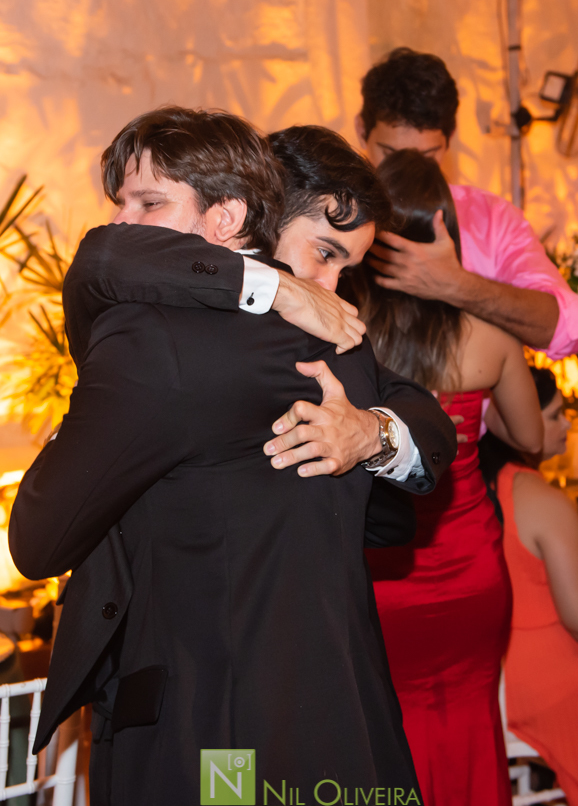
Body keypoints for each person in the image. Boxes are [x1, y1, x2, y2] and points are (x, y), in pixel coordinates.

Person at [10, 109, 457, 805]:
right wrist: (374, 431)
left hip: (214, 733)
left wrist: (370, 434)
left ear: (228, 216)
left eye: (149, 203)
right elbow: (391, 518)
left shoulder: (156, 343)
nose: (331, 288)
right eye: (324, 254)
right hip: (336, 722)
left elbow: (37, 542)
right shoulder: (340, 349)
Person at [360, 149, 543, 806]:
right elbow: (530, 439)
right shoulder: (488, 336)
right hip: (468, 569)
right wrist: (464, 422)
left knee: (383, 726)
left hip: (381, 574)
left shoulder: (347, 335)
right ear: (444, 230)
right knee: (468, 721)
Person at [354, 47, 578, 360]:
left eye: (428, 157)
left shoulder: (493, 219)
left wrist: (456, 285)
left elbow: (570, 331)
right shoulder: (328, 211)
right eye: (392, 154)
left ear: (450, 138)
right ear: (362, 131)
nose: (408, 174)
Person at [479, 367, 578, 806]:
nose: (569, 426)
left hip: (489, 675)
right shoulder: (539, 498)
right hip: (547, 679)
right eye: (557, 416)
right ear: (521, 420)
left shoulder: (470, 488)